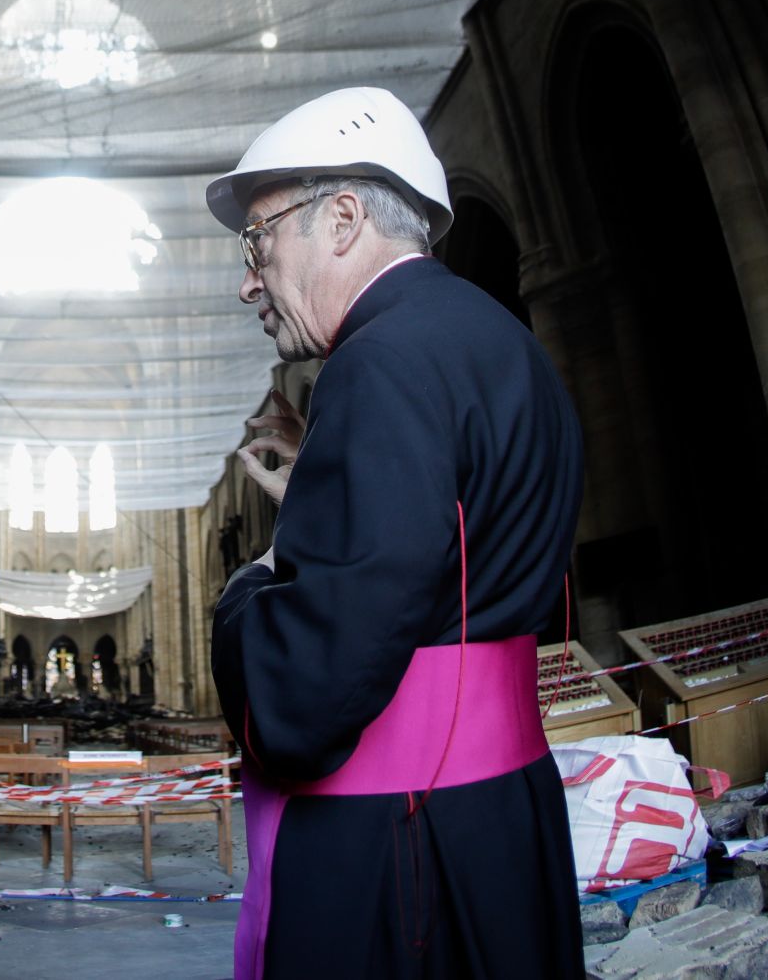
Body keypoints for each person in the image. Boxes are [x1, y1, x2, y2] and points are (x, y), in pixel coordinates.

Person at [206, 86, 585, 979]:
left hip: (401, 847)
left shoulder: (376, 364)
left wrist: (249, 584)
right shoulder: (498, 336)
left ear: (342, 219)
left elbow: (306, 691)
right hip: (501, 814)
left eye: (258, 241)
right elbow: (447, 553)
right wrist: (320, 492)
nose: (248, 278)